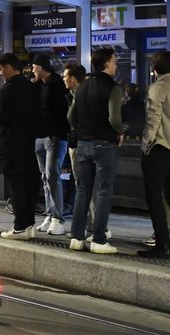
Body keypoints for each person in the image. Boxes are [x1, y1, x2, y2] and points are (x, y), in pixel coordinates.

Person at [67, 48, 125, 254]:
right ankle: (99, 240)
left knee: (83, 190)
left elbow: (70, 117)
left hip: (83, 144)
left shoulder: (81, 87)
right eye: (114, 61)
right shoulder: (113, 88)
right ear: (107, 63)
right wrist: (121, 131)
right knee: (103, 192)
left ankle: (76, 237)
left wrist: (82, 129)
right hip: (105, 144)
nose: (116, 65)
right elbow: (114, 119)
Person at [138, 51, 170, 259]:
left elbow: (153, 118)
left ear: (155, 68)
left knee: (154, 195)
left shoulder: (158, 87)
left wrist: (145, 144)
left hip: (159, 148)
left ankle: (162, 244)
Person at [0, 53, 40, 240]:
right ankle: (29, 225)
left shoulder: (8, 89)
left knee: (16, 187)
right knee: (28, 185)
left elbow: (4, 118)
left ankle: (20, 226)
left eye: (0, 69)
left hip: (12, 145)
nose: (0, 73)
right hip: (28, 144)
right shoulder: (31, 87)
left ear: (8, 67)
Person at [31, 54, 71, 236]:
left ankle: (58, 218)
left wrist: (56, 132)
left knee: (52, 175)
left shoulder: (56, 85)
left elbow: (60, 112)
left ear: (40, 67)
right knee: (45, 177)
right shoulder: (40, 85)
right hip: (40, 136)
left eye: (34, 67)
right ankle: (50, 214)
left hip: (54, 136)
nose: (32, 71)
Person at [62, 63, 93, 235]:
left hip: (83, 144)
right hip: (76, 143)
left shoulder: (82, 95)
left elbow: (72, 119)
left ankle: (93, 227)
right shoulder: (71, 95)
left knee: (85, 186)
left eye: (65, 77)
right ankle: (86, 226)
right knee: (81, 185)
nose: (63, 79)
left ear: (73, 79)